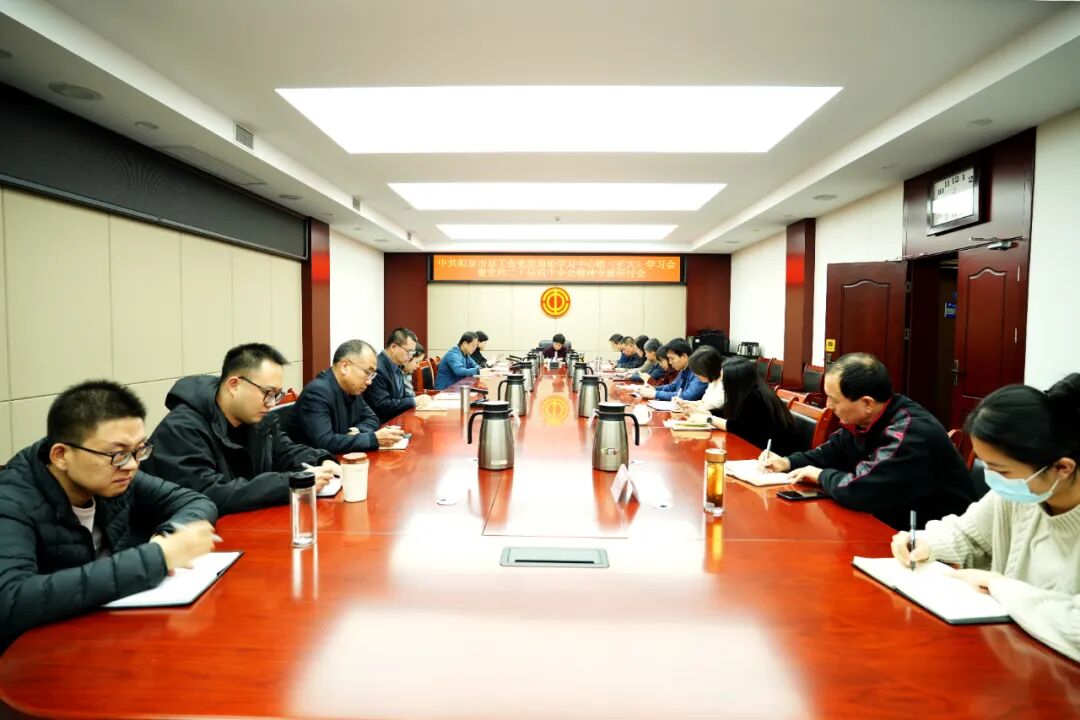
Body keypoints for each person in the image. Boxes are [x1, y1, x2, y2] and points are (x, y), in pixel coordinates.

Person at [0, 381, 220, 649]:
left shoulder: (116, 477)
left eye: (139, 450)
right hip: (38, 653)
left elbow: (195, 500)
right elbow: (10, 600)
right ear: (61, 455)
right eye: (117, 454)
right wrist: (157, 558)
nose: (132, 465)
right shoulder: (11, 500)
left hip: (110, 633)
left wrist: (168, 538)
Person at [891, 375, 1080, 663]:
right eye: (985, 465)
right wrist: (925, 543)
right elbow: (966, 532)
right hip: (1009, 653)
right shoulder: (1018, 494)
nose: (992, 479)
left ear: (1062, 468)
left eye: (1001, 471)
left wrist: (997, 584)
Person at [760, 353, 978, 529]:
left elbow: (860, 489)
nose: (829, 405)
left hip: (934, 544)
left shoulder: (909, 432)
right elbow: (830, 453)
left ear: (867, 403)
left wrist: (821, 476)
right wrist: (787, 462)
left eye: (834, 399)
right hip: (889, 523)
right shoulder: (864, 419)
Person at [146, 343, 338, 515]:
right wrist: (290, 482)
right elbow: (208, 494)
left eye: (277, 395)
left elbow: (285, 452)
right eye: (268, 393)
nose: (272, 403)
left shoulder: (258, 418)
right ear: (234, 385)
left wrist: (322, 460)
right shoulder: (182, 429)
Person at [286, 339, 406, 454]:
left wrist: (357, 431)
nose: (369, 382)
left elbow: (372, 418)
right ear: (345, 367)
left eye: (372, 375)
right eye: (368, 373)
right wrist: (372, 439)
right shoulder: (317, 392)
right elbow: (324, 442)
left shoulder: (352, 389)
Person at [705, 357, 796, 454]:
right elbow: (728, 412)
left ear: (735, 381)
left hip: (769, 453)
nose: (722, 383)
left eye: (724, 381)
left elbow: (738, 428)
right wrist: (708, 413)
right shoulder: (746, 391)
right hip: (754, 446)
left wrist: (709, 419)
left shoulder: (755, 397)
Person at [365, 328, 431, 424]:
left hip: (397, 420)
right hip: (383, 424)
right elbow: (382, 405)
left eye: (412, 353)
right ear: (393, 347)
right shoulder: (378, 368)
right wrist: (413, 401)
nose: (411, 356)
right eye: (409, 352)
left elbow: (401, 398)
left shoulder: (397, 364)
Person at [640, 338, 707, 401]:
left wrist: (656, 394)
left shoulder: (699, 371)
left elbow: (688, 396)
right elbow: (673, 386)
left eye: (672, 358)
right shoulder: (683, 369)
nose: (670, 362)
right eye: (669, 359)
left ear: (684, 356)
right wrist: (654, 388)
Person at [675, 346, 726, 413]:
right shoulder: (712, 379)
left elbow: (711, 407)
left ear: (707, 369)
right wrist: (685, 402)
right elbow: (703, 402)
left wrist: (693, 408)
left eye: (698, 372)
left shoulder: (724, 381)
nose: (696, 375)